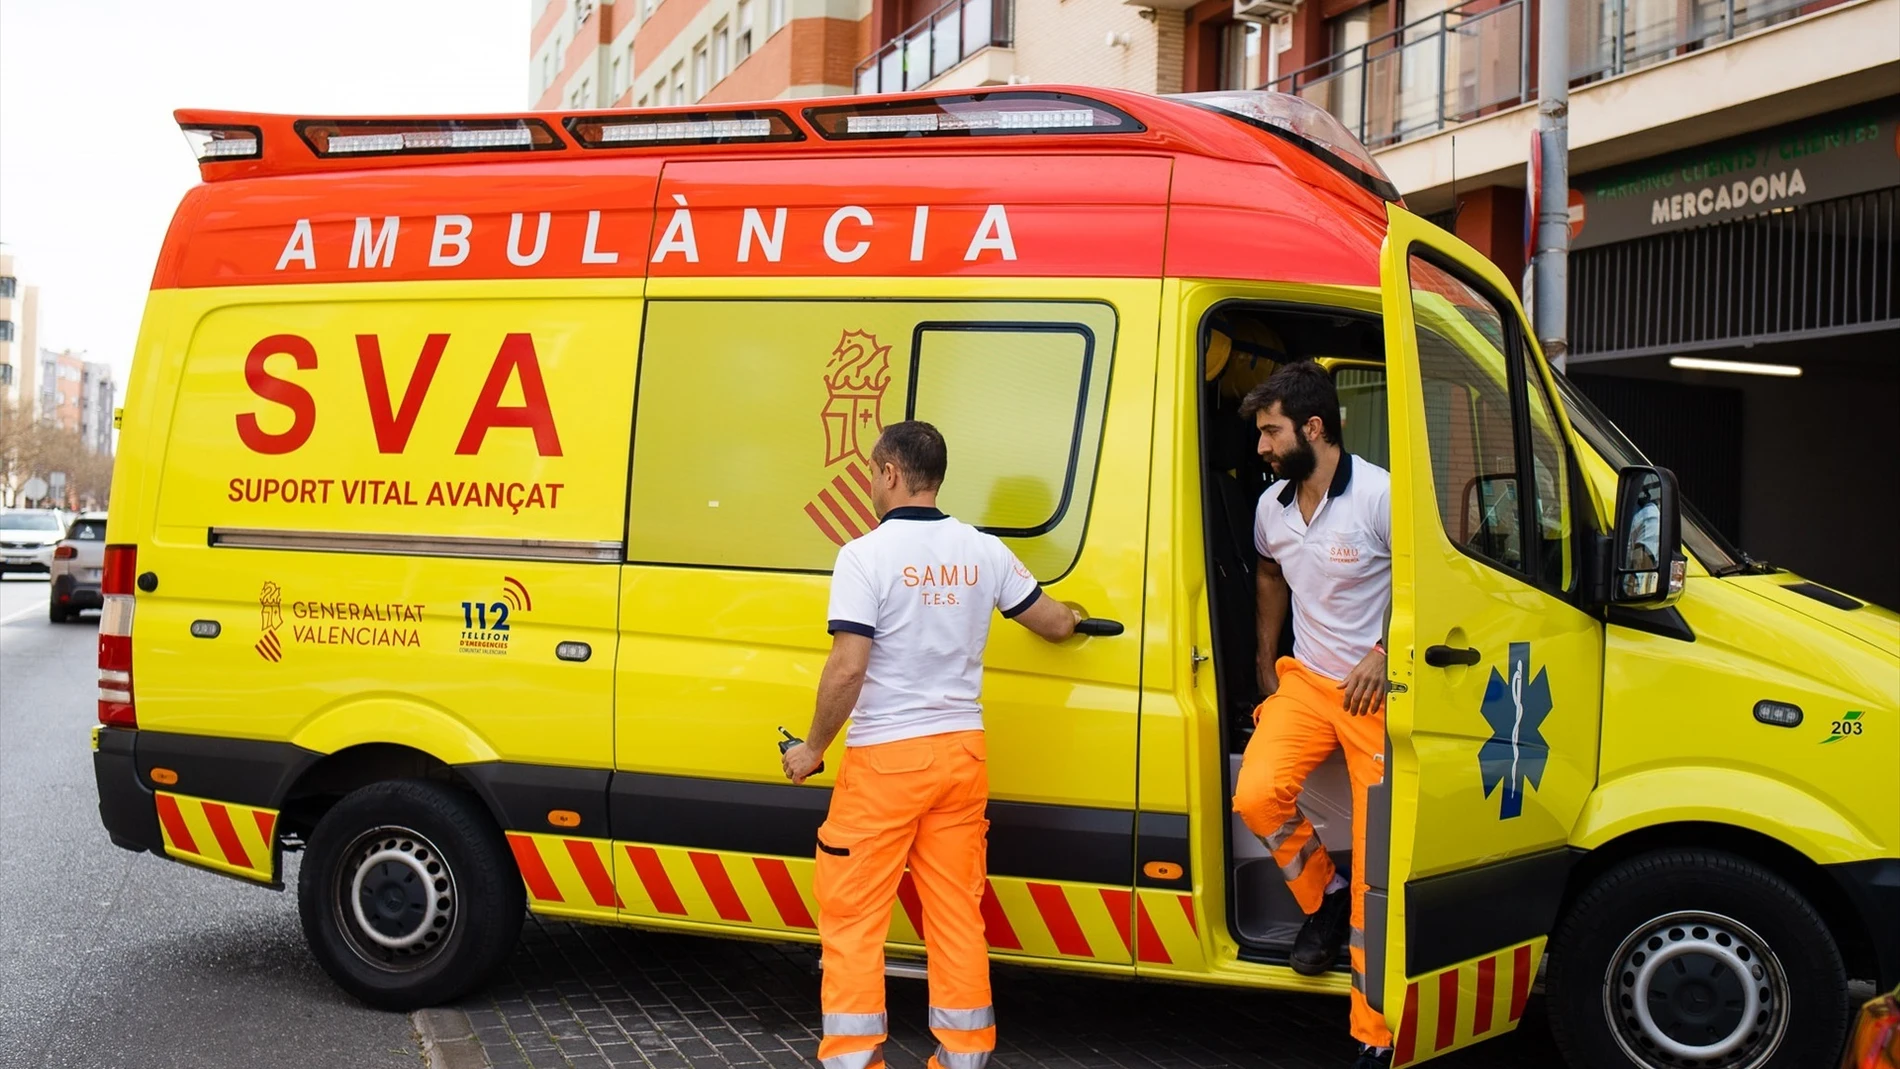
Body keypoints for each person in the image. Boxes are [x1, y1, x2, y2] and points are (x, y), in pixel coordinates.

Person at [781, 420, 1081, 1069]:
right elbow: (1053, 621)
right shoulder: (983, 550)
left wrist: (811, 746)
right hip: (961, 756)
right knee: (954, 911)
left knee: (854, 913)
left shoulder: (864, 555)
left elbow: (847, 667)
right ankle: (963, 1055)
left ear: (890, 472)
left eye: (870, 471)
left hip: (888, 759)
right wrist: (1080, 617)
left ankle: (856, 1058)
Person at [1230, 361, 1395, 1069]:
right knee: (1256, 795)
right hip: (1305, 683)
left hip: (1374, 693)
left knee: (1378, 863)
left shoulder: (1382, 496)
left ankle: (1372, 1032)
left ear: (1314, 427)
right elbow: (1270, 571)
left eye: (1271, 431)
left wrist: (1387, 651)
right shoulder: (1272, 506)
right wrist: (1269, 659)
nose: (1262, 447)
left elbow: (1429, 581)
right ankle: (1322, 894)